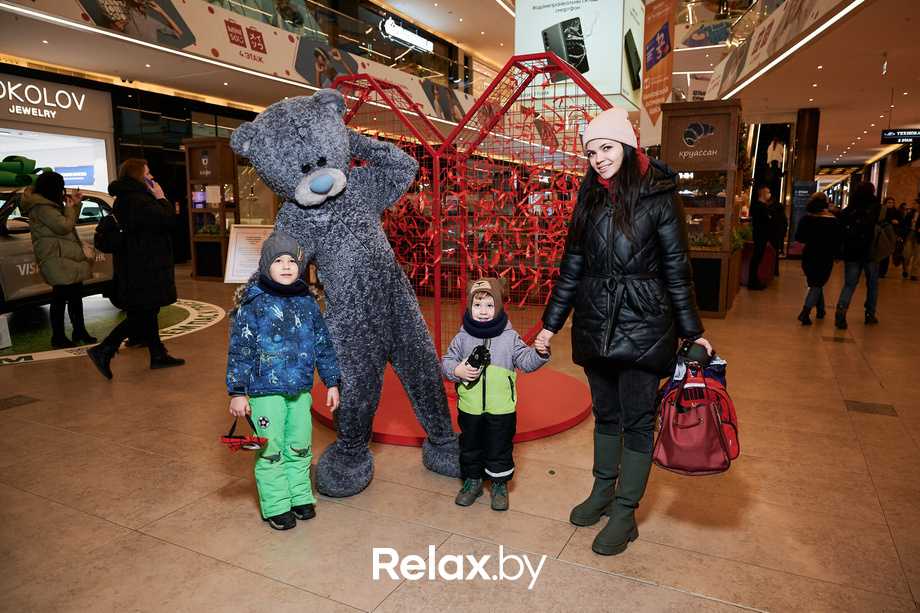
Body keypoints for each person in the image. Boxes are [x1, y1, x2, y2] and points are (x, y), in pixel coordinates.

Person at [534, 107, 711, 556]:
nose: (598, 158)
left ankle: (625, 512)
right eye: (591, 151)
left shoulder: (660, 196)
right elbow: (571, 268)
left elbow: (677, 270)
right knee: (605, 412)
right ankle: (602, 491)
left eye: (606, 148)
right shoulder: (589, 195)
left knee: (636, 418)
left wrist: (693, 333)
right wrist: (549, 325)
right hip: (595, 322)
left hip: (646, 323)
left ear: (628, 147)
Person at [227, 232, 341, 530]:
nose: (287, 265)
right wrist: (238, 392)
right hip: (265, 392)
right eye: (279, 260)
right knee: (271, 449)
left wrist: (331, 382)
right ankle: (277, 504)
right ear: (267, 265)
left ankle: (300, 495)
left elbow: (324, 344)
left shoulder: (308, 302)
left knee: (300, 444)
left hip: (301, 390)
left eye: (292, 260)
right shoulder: (254, 303)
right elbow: (241, 348)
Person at [441, 277, 549, 512]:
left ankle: (499, 484)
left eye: (489, 305)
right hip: (470, 406)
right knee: (470, 445)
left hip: (502, 408)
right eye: (477, 305)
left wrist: (540, 353)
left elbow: (526, 363)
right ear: (469, 307)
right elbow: (447, 362)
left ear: (499, 307)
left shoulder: (510, 338)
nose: (483, 311)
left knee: (499, 446)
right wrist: (457, 370)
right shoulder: (462, 337)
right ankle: (473, 481)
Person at [88, 159, 184, 378]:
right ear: (138, 176)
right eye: (148, 174)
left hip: (136, 264)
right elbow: (167, 220)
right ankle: (105, 348)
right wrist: (161, 197)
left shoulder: (126, 198)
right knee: (143, 314)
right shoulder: (138, 199)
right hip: (145, 266)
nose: (152, 178)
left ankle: (158, 354)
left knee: (148, 311)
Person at [22, 172, 95, 348]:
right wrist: (71, 208)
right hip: (56, 257)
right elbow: (63, 226)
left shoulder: (48, 204)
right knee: (61, 297)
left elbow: (66, 223)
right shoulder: (43, 207)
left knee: (75, 293)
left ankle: (79, 331)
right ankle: (59, 336)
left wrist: (75, 205)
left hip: (64, 255)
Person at [834, 181, 882, 329]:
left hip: (852, 252)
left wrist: (839, 253)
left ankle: (842, 307)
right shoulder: (878, 209)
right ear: (873, 191)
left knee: (849, 284)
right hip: (871, 252)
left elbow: (840, 233)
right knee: (872, 284)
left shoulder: (849, 210)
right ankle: (869, 315)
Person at [793, 192, 841, 325]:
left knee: (815, 282)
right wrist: (837, 255)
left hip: (809, 254)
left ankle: (821, 309)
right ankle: (805, 311)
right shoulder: (832, 220)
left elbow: (799, 237)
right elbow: (836, 240)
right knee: (817, 283)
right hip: (825, 255)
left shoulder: (806, 219)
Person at [747, 185, 771, 290]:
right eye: (768, 192)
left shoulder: (760, 206)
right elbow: (766, 220)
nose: (769, 194)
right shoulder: (759, 206)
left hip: (759, 234)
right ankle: (752, 282)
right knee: (756, 258)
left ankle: (754, 280)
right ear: (763, 193)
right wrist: (768, 218)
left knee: (757, 258)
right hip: (760, 235)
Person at [878, 197, 902, 278]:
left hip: (892, 234)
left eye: (892, 202)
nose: (891, 204)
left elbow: (901, 222)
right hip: (882, 233)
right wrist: (890, 221)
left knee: (887, 252)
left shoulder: (896, 212)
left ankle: (883, 271)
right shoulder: (882, 211)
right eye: (889, 202)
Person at [767, 195, 788, 276]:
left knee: (769, 253)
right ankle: (775, 271)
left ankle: (769, 271)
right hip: (779, 236)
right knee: (775, 254)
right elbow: (785, 225)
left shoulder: (770, 211)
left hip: (771, 235)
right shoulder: (781, 213)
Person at [900, 199, 920, 281]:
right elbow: (904, 224)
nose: (912, 205)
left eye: (914, 203)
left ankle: (914, 274)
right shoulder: (910, 214)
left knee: (917, 255)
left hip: (919, 236)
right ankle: (905, 270)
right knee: (906, 254)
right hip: (909, 234)